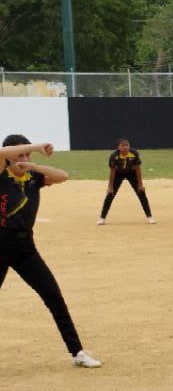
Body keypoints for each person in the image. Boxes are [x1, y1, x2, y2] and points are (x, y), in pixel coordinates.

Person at [1, 135, 101, 368]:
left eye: (27, 155)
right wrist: (36, 147)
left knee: (54, 297)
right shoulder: (1, 174)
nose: (24, 159)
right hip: (0, 246)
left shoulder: (33, 177)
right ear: (8, 157)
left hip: (26, 248)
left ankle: (77, 352)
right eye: (19, 155)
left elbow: (62, 176)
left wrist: (33, 164)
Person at [98, 137, 154, 224]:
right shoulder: (114, 156)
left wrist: (140, 184)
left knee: (141, 193)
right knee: (110, 194)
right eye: (122, 145)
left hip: (132, 173)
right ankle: (102, 218)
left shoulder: (134, 153)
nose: (125, 147)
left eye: (127, 145)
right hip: (118, 174)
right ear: (118, 147)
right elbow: (112, 171)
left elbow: (138, 169)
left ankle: (149, 216)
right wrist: (110, 186)